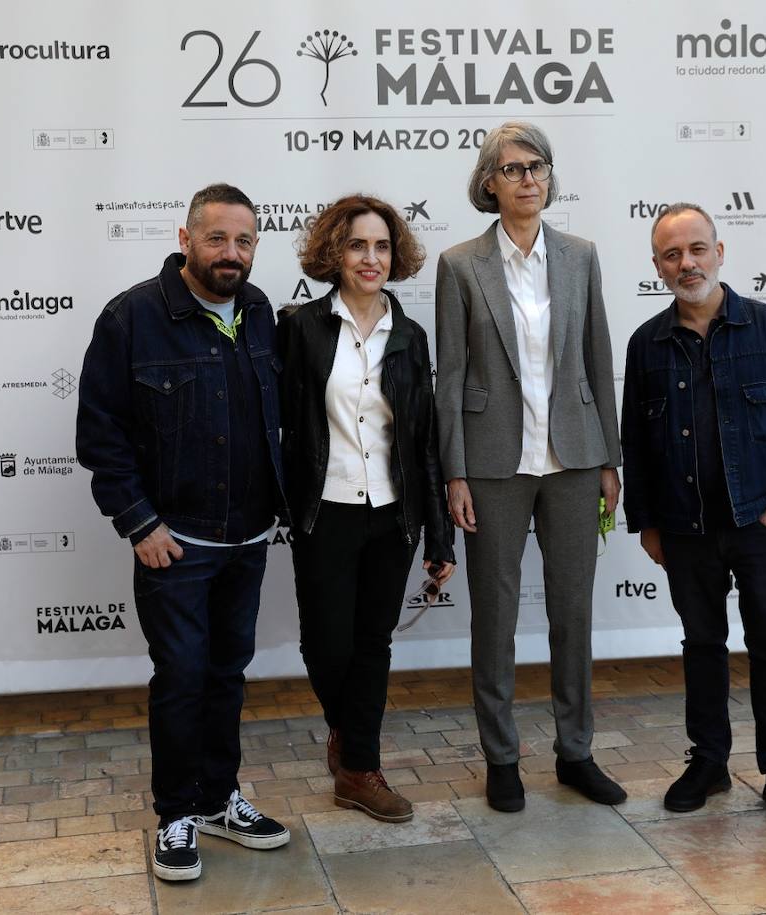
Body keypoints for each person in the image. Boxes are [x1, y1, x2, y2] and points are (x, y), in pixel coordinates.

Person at [76, 183, 291, 882]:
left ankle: (220, 798)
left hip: (248, 538)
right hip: (176, 542)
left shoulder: (260, 311)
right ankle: (176, 811)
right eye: (217, 238)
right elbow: (100, 433)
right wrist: (139, 522)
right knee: (182, 676)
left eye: (245, 241)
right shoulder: (133, 316)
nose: (232, 253)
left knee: (226, 674)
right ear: (185, 238)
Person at [435, 121, 625, 812]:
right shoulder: (459, 264)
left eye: (536, 166)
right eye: (511, 169)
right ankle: (502, 756)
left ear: (549, 175)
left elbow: (599, 362)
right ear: (490, 183)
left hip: (575, 456)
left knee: (574, 612)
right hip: (492, 465)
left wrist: (610, 457)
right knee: (496, 615)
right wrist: (453, 471)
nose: (526, 179)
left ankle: (576, 751)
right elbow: (450, 377)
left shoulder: (582, 256)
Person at [621, 203, 766, 829]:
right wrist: (647, 523)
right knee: (702, 647)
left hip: (760, 525)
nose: (688, 264)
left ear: (720, 251)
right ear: (657, 266)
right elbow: (637, 441)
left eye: (697, 250)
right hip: (685, 531)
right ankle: (708, 762)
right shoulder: (646, 344)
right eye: (673, 255)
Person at [279, 195, 456, 823]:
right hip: (323, 511)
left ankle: (360, 768)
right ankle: (347, 733)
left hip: (392, 515)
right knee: (326, 645)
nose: (371, 258)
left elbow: (423, 442)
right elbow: (284, 425)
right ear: (335, 252)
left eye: (381, 246)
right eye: (358, 245)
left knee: (372, 643)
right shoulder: (300, 327)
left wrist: (440, 539)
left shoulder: (410, 335)